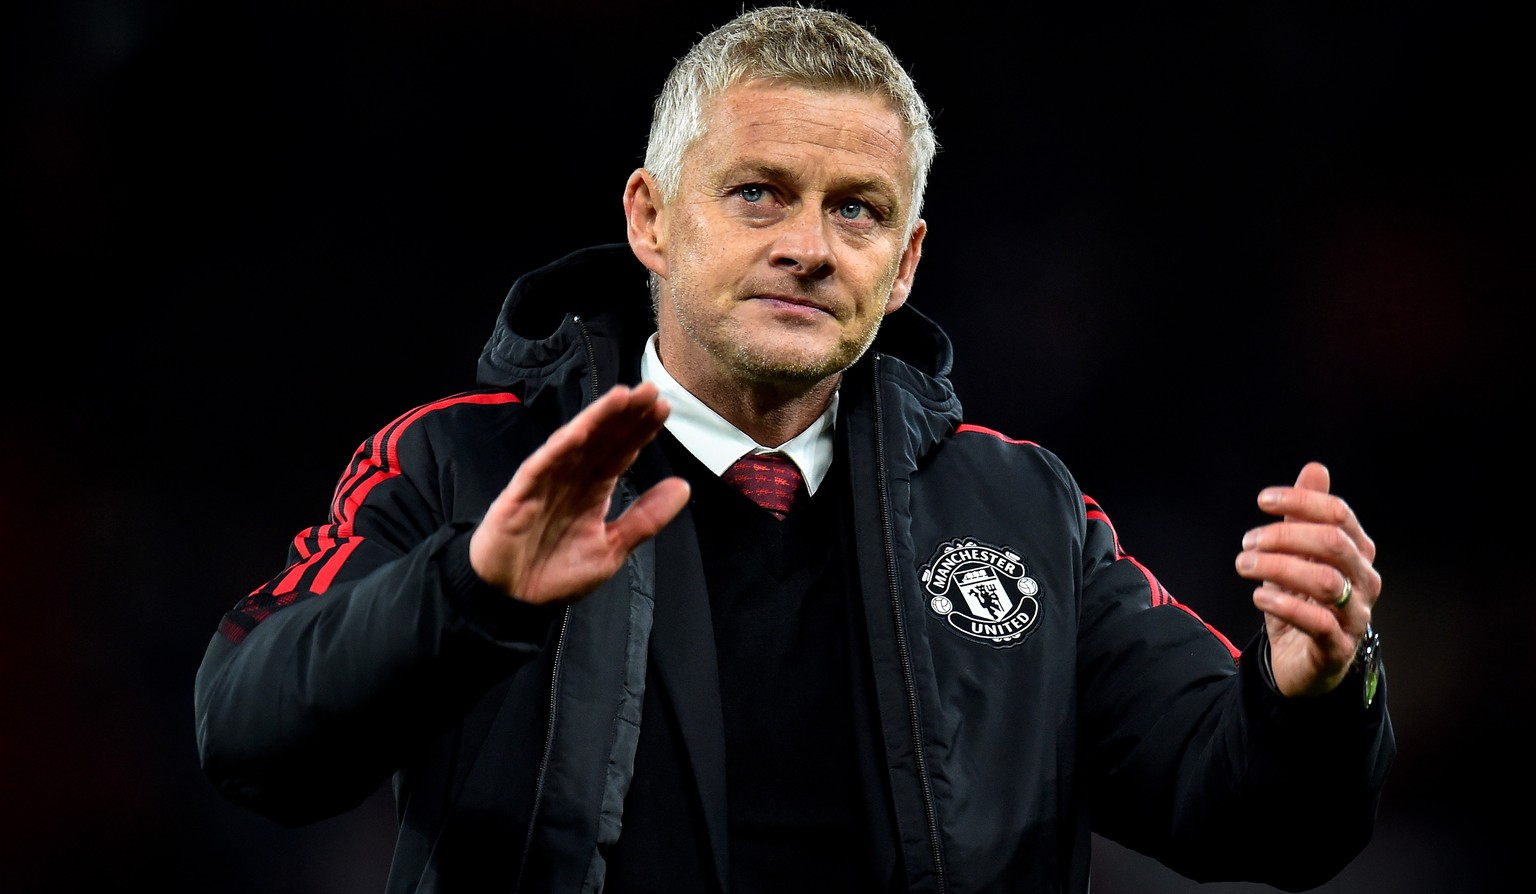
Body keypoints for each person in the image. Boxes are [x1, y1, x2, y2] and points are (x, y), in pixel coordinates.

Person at [193, 5, 1395, 892]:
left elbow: (1259, 818)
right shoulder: (463, 466)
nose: (810, 246)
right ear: (650, 219)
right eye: (759, 193)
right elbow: (249, 739)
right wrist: (467, 594)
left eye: (856, 208)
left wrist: (1314, 697)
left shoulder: (1022, 510)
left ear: (908, 260)